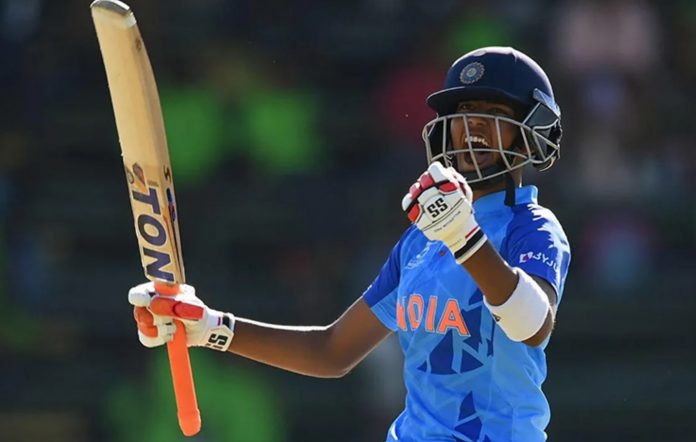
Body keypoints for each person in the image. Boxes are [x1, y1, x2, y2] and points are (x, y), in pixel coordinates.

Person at [129, 46, 571, 442]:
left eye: (492, 110)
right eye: (465, 110)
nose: (473, 124)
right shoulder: (420, 239)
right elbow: (333, 350)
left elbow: (532, 325)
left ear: (531, 130)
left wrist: (464, 238)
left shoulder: (531, 229)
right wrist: (209, 328)